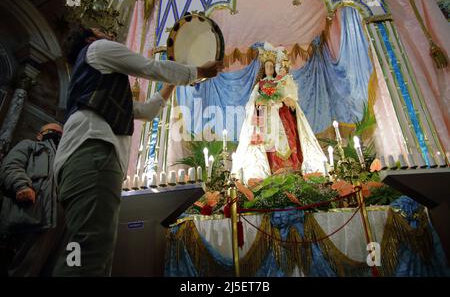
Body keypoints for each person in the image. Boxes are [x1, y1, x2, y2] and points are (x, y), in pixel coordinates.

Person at [51, 25, 223, 276]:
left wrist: (174, 83)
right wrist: (197, 71)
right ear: (89, 38)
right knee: (90, 253)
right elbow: (149, 67)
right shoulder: (97, 49)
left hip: (81, 160)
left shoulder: (100, 85)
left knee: (84, 249)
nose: (110, 34)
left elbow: (148, 110)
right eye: (102, 31)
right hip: (93, 153)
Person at [232, 46, 327, 184]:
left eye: (271, 66)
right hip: (267, 118)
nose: (270, 68)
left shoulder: (280, 83)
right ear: (263, 69)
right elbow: (253, 101)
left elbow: (289, 98)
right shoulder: (260, 84)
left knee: (290, 139)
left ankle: (293, 169)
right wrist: (260, 102)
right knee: (269, 143)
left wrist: (286, 100)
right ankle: (271, 172)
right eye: (267, 66)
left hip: (282, 116)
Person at [0, 123, 65, 276]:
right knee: (26, 268)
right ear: (39, 135)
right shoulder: (29, 146)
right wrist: (21, 185)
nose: (56, 134)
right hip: (35, 217)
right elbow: (11, 166)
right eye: (51, 131)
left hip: (63, 224)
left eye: (59, 133)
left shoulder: (66, 156)